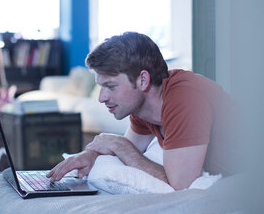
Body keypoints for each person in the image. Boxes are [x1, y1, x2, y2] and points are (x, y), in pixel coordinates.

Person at [47, 31, 239, 190]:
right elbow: (126, 150)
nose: (101, 97)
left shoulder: (184, 98)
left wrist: (120, 145)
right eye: (101, 87)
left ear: (143, 80)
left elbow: (181, 185)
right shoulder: (144, 110)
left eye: (111, 86)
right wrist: (90, 155)